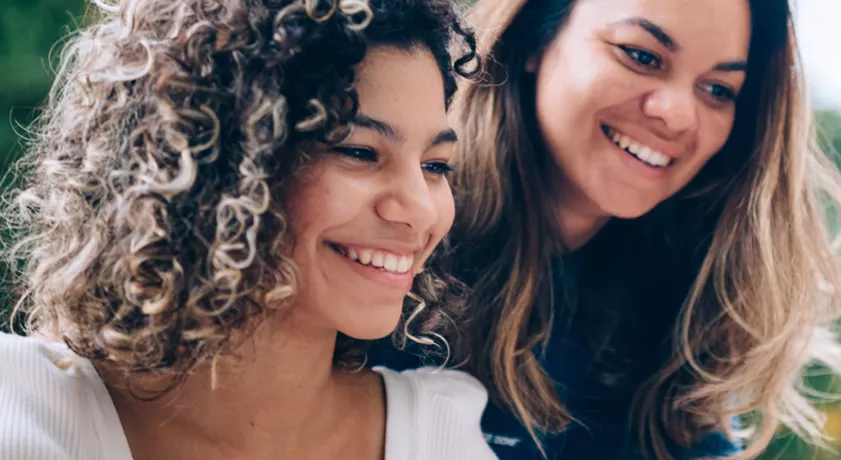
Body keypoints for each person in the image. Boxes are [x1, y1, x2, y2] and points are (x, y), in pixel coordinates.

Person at [368, 0, 841, 458]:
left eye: (717, 90)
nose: (677, 114)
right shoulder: (380, 251)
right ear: (538, 39)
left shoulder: (685, 331)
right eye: (641, 56)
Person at [0, 0, 492, 458]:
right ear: (213, 161)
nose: (420, 210)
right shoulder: (25, 412)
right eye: (360, 152)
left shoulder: (442, 435)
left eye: (435, 166)